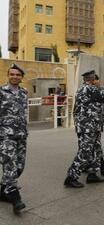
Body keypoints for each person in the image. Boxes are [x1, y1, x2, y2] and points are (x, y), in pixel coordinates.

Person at [64, 70, 104, 188]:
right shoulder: (88, 89)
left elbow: (101, 103)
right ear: (92, 80)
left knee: (96, 149)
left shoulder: (85, 89)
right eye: (95, 79)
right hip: (87, 127)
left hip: (93, 125)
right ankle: (71, 177)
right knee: (85, 151)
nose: (97, 81)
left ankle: (92, 174)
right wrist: (99, 86)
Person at [0, 63, 27, 214]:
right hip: (5, 135)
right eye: (12, 74)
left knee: (19, 166)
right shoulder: (1, 92)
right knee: (10, 164)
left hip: (21, 135)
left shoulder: (23, 93)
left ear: (21, 77)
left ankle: (3, 191)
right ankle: (15, 198)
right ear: (8, 75)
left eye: (18, 75)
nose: (15, 76)